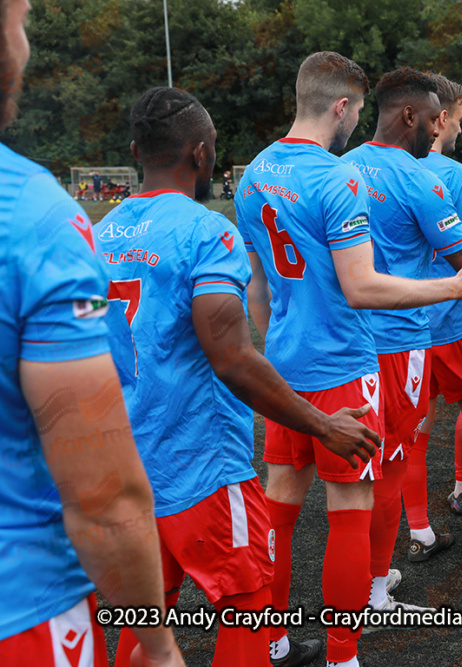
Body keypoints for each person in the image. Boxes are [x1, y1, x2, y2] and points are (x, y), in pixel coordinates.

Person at [238, 55, 462, 667]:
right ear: (343, 106)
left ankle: (275, 642)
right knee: (348, 512)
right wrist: (458, 287)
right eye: (357, 110)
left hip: (283, 369)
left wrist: (284, 341)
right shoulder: (337, 179)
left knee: (281, 506)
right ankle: (343, 656)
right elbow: (362, 288)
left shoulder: (255, 173)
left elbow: (257, 289)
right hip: (345, 367)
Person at [100, 87, 387, 667]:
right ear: (203, 154)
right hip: (201, 467)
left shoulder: (99, 234)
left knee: (146, 614)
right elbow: (231, 357)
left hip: (128, 466)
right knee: (246, 602)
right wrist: (323, 426)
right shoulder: (208, 231)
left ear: (135, 151)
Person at [0, 2, 184, 663]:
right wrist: (157, 644)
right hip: (24, 606)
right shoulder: (33, 217)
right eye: (20, 20)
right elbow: (103, 495)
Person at [348, 69, 462, 580]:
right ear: (435, 117)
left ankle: (420, 531)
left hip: (379, 328)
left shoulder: (346, 167)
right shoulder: (449, 176)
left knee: (411, 435)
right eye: (457, 117)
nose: (457, 127)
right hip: (446, 322)